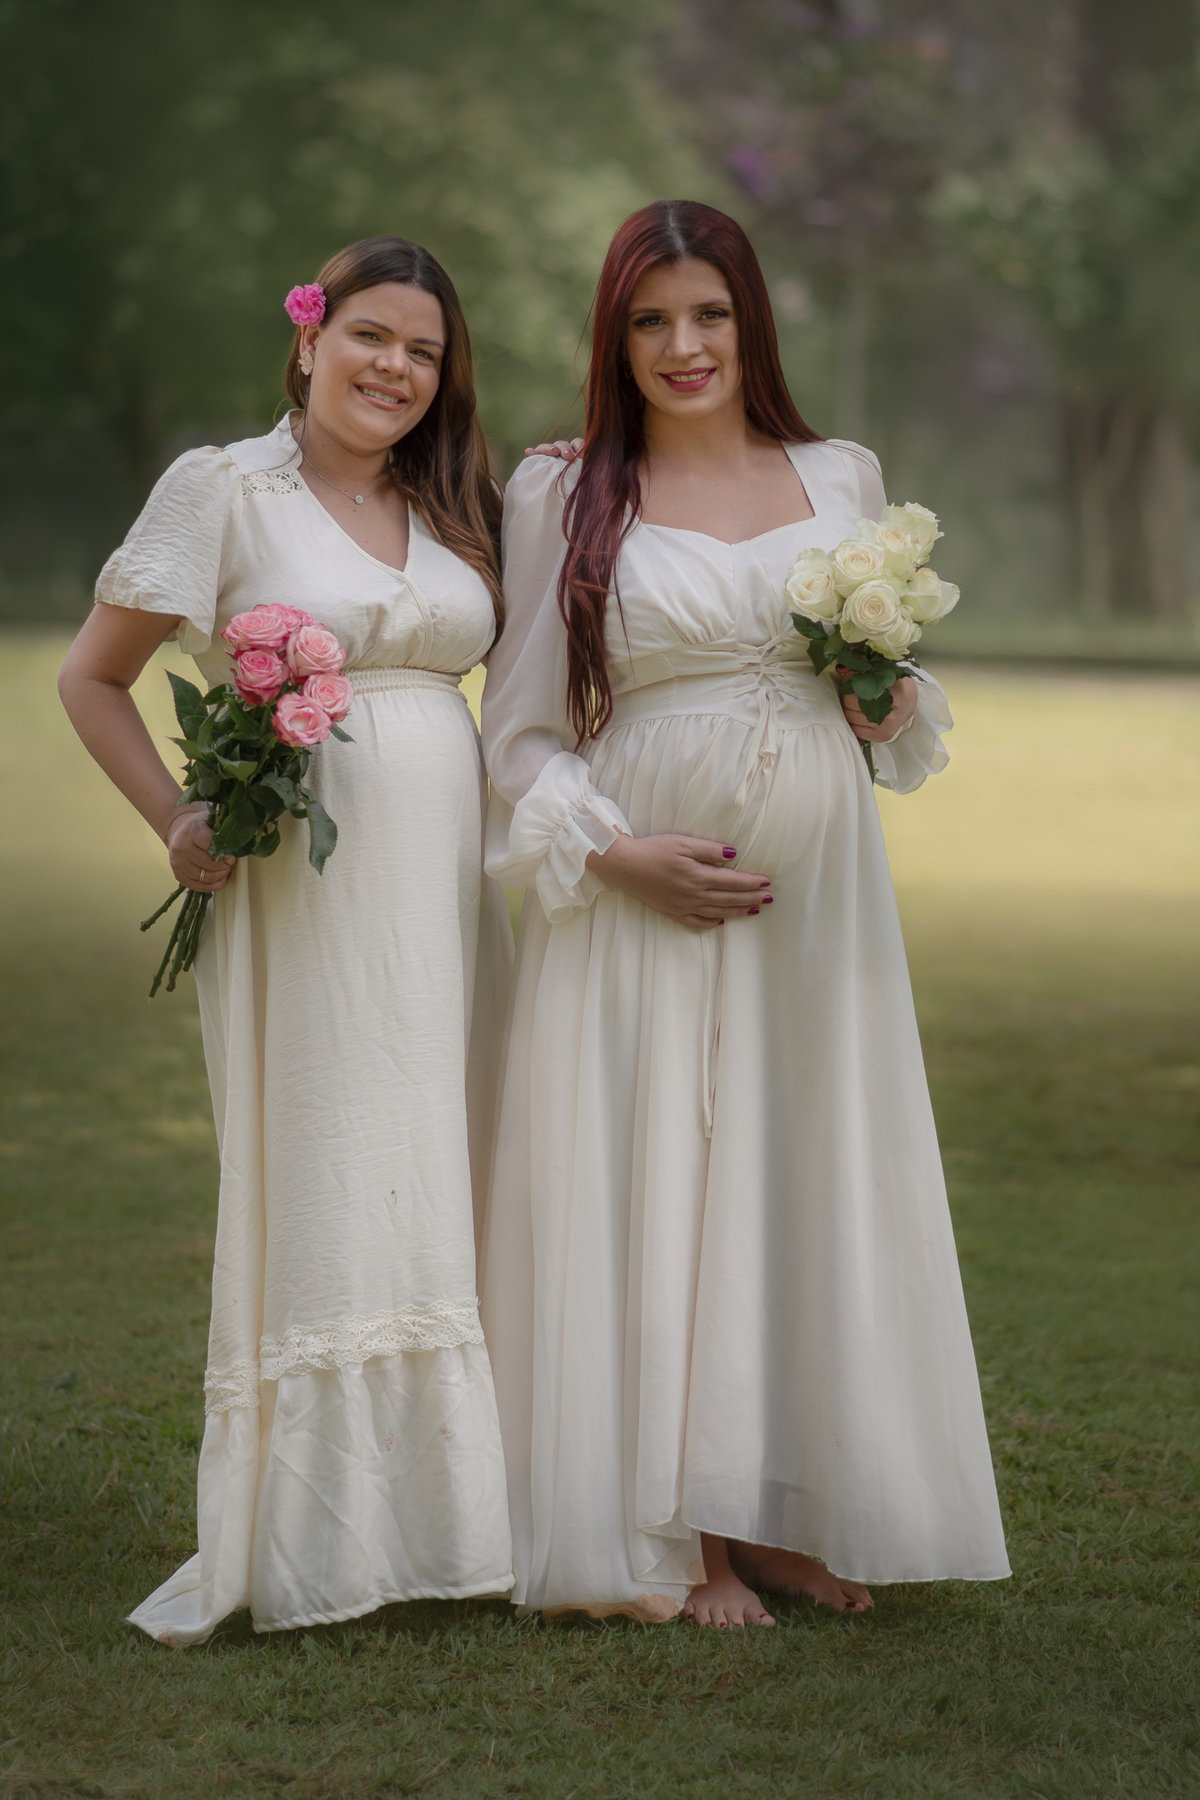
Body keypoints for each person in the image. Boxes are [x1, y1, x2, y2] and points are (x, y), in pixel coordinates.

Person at [479, 200, 1010, 1628]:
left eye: (708, 314)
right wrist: (614, 852)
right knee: (670, 1171)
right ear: (616, 338)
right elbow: (518, 734)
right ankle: (684, 1544)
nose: (683, 345)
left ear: (750, 319)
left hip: (820, 903)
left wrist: (885, 695)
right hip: (647, 884)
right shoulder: (566, 490)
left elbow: (894, 712)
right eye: (650, 321)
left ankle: (778, 1517)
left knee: (798, 1169)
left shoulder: (840, 475)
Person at [58, 236, 515, 1645]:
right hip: (305, 897)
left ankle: (462, 1525)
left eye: (424, 353)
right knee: (328, 1166)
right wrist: (176, 820)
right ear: (308, 338)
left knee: (452, 1157)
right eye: (371, 336)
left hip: (452, 888)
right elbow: (95, 677)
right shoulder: (226, 489)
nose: (395, 369)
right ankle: (321, 1539)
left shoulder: (452, 503)